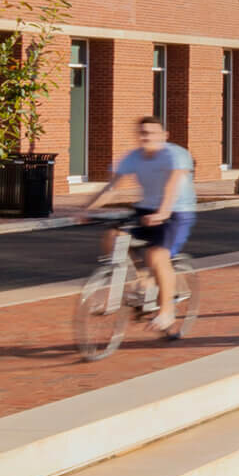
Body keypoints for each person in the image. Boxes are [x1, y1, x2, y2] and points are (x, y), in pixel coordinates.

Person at [83, 116, 196, 336]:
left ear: (164, 136)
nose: (147, 137)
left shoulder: (175, 155)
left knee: (156, 255)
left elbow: (173, 184)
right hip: (145, 210)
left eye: (153, 133)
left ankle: (166, 312)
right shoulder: (133, 157)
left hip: (177, 212)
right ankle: (141, 282)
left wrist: (163, 212)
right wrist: (85, 209)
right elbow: (112, 187)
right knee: (112, 235)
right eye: (143, 133)